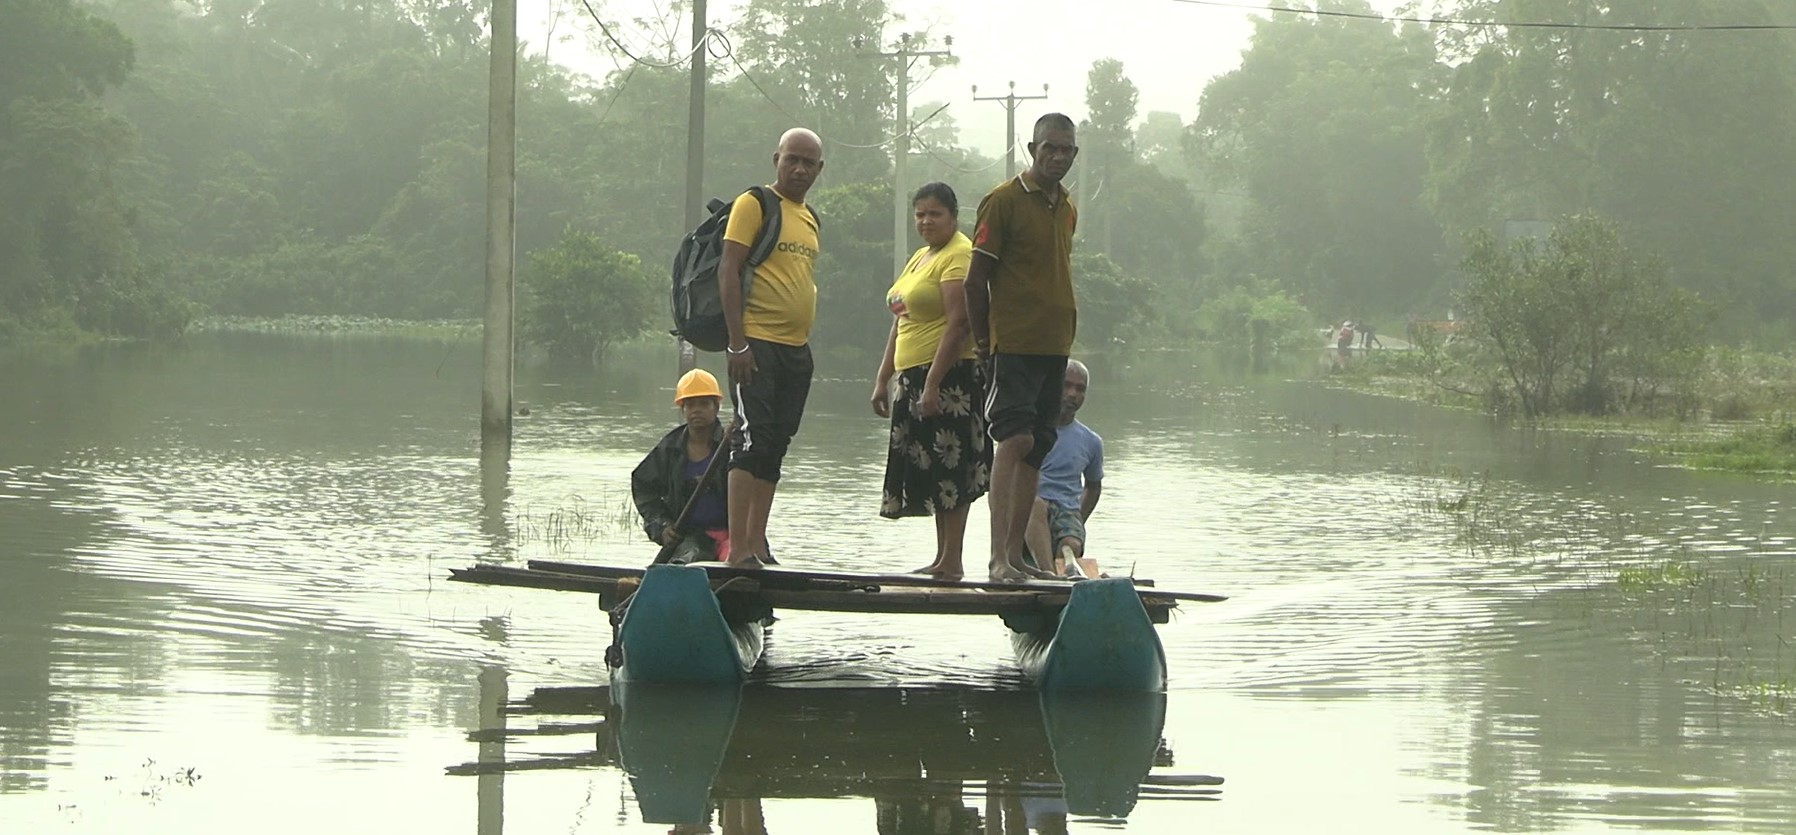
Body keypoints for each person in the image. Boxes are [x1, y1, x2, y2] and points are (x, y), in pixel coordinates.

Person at [965, 112, 1080, 584]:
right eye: (1049, 148)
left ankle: (1019, 560)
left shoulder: (1067, 207)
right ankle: (997, 559)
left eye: (1066, 150)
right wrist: (983, 343)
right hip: (1011, 344)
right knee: (1013, 440)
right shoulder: (1003, 201)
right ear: (1032, 150)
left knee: (1038, 447)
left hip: (1055, 346)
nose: (1057, 157)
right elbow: (976, 280)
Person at [871, 182, 989, 581]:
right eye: (920, 213)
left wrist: (934, 383)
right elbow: (899, 319)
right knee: (935, 470)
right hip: (913, 374)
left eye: (934, 213)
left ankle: (952, 560)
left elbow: (960, 323)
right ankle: (941, 559)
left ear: (953, 217)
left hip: (950, 376)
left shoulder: (959, 254)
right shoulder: (921, 257)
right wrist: (882, 378)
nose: (926, 221)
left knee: (953, 466)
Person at [717, 127, 824, 568]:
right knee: (750, 441)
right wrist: (738, 343)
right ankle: (737, 549)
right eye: (791, 159)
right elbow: (728, 269)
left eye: (808, 163)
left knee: (776, 444)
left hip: (795, 349)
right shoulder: (754, 203)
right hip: (755, 343)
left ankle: (758, 544)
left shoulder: (810, 216)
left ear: (819, 169)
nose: (798, 169)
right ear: (776, 158)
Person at [631, 369, 730, 564]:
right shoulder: (669, 449)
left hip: (735, 536)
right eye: (690, 405)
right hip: (691, 538)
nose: (696, 410)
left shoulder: (732, 445)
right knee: (683, 567)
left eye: (703, 404)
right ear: (682, 409)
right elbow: (643, 486)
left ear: (716, 407)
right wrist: (662, 527)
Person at [1024, 360, 1101, 578]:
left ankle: (1065, 569)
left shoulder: (1091, 441)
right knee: (1034, 503)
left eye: (1080, 389)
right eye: (1066, 386)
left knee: (1071, 543)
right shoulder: (1029, 431)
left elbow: (1093, 487)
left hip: (1066, 509)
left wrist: (1078, 519)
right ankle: (1050, 576)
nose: (1072, 394)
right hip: (1032, 505)